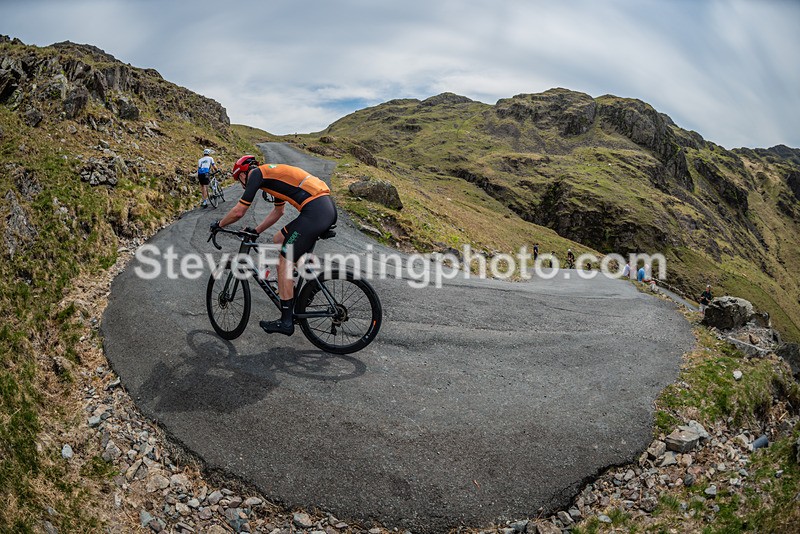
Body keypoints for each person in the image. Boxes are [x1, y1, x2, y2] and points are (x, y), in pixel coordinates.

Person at [211, 155, 337, 335]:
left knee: (284, 260)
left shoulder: (256, 174)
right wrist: (257, 230)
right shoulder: (271, 177)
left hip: (315, 211)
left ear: (244, 172)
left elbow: (239, 211)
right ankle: (308, 281)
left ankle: (286, 321)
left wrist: (219, 225)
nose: (240, 183)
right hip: (323, 207)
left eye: (238, 178)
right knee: (279, 239)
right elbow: (279, 211)